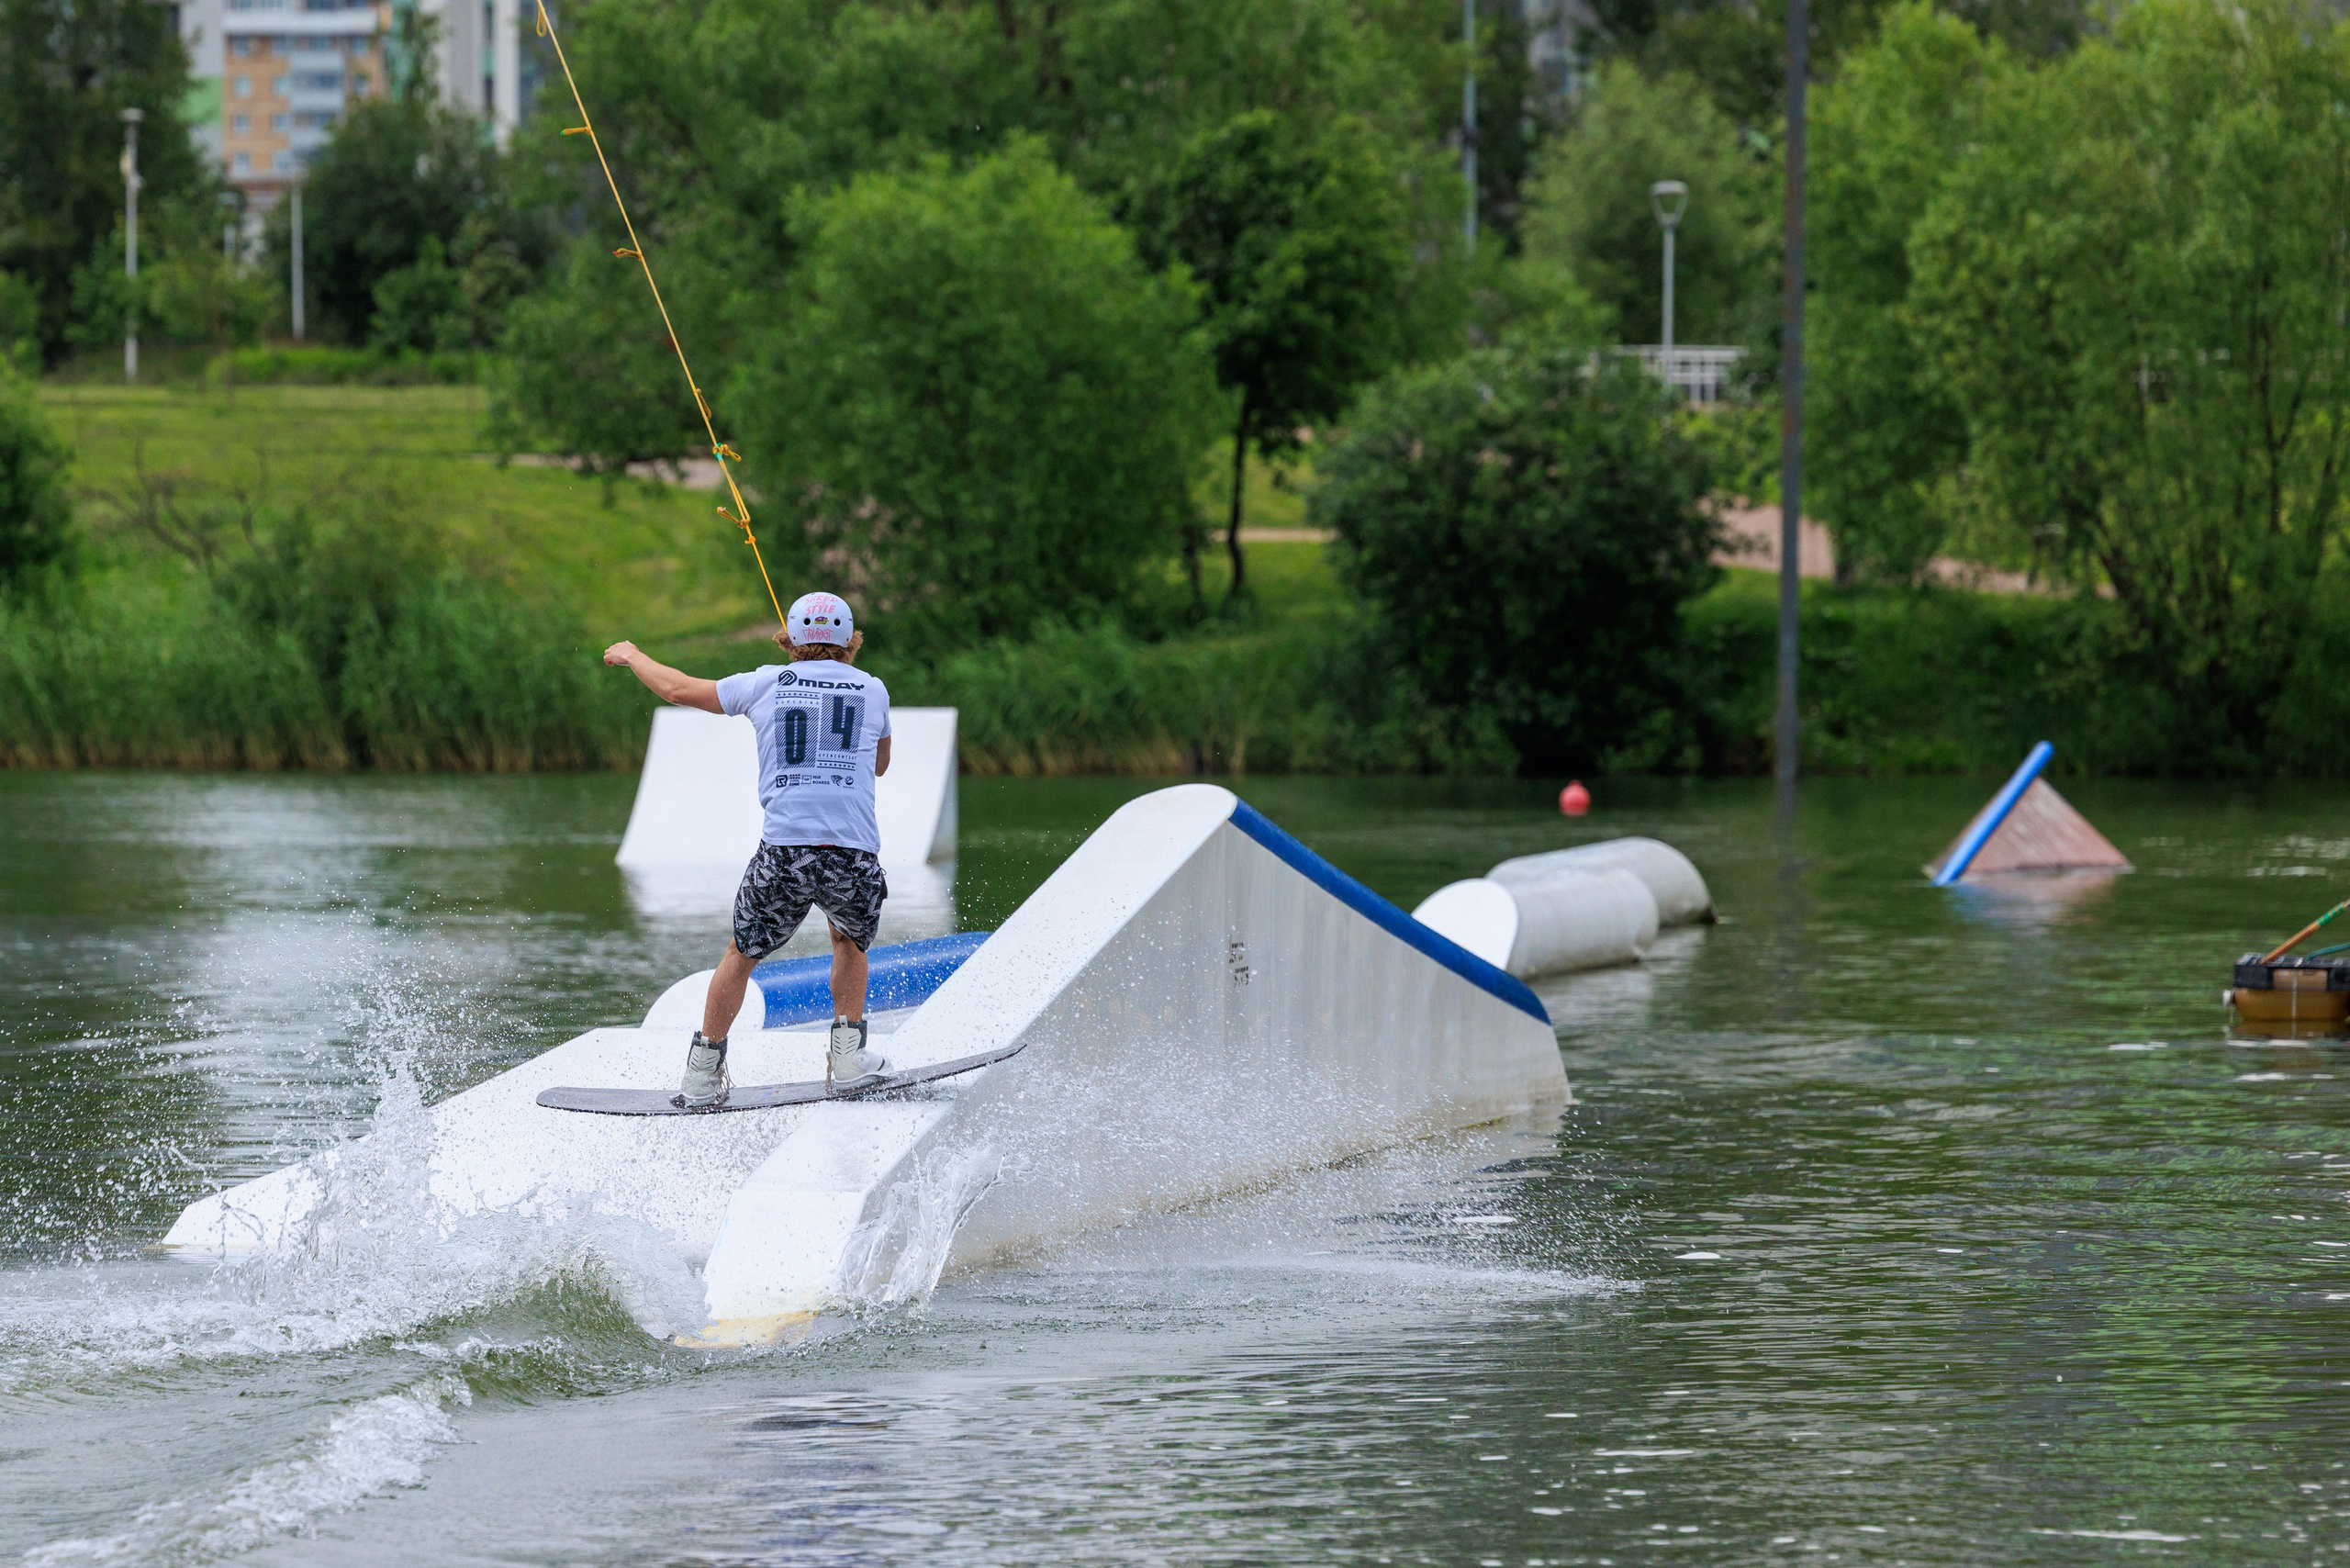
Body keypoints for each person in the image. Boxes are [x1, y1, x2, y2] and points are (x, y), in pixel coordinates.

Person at [604, 590, 893, 1105]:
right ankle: (848, 1058)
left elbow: (676, 689)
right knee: (848, 941)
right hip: (851, 849)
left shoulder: (765, 683)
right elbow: (879, 765)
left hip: (783, 850)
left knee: (741, 954)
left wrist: (632, 654)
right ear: (851, 643)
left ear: (790, 640)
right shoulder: (873, 691)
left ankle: (701, 1074)